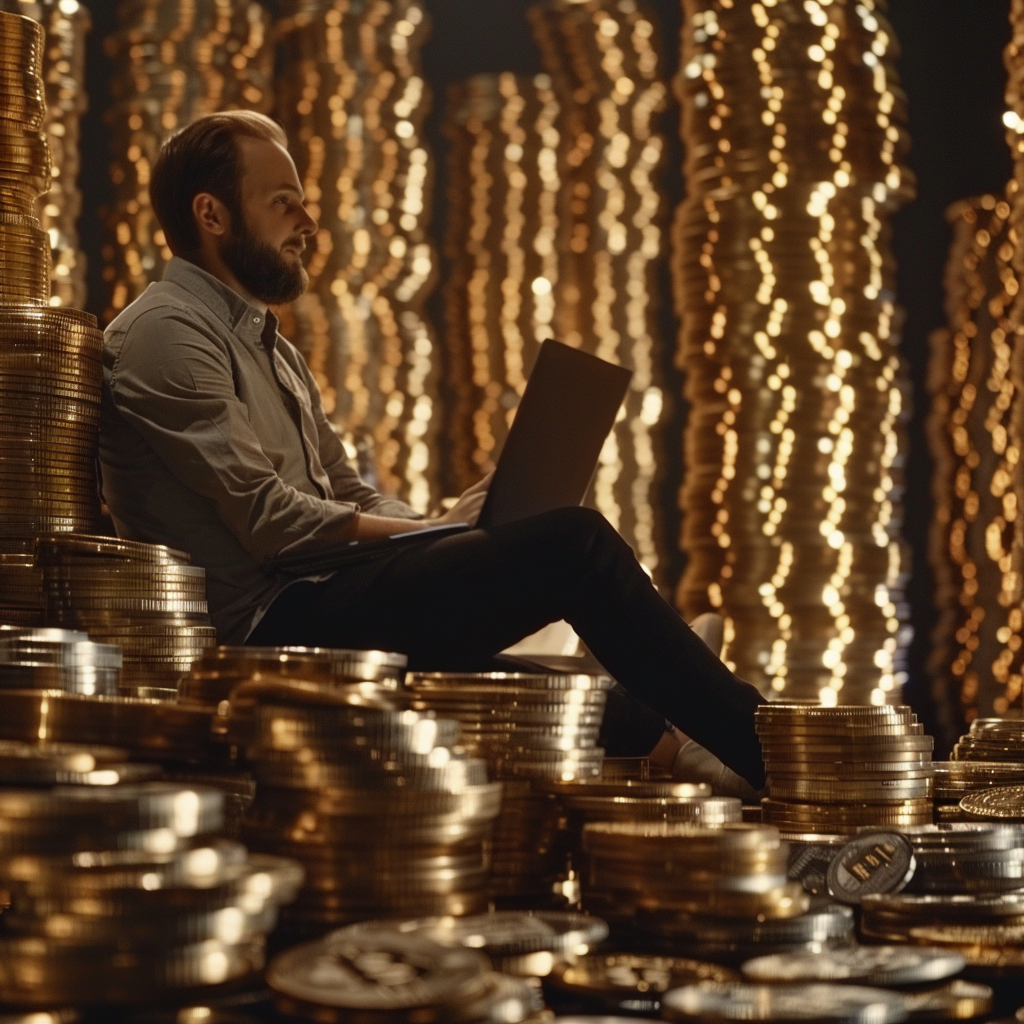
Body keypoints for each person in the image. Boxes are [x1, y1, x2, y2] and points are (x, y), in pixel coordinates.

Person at [98, 111, 767, 790]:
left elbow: (349, 493)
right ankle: (769, 744)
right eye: (283, 203)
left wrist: (446, 527)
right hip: (266, 630)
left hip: (325, 601)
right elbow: (273, 522)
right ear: (212, 216)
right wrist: (435, 536)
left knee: (543, 690)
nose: (307, 221)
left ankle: (685, 741)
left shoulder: (274, 350)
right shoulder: (164, 334)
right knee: (572, 545)